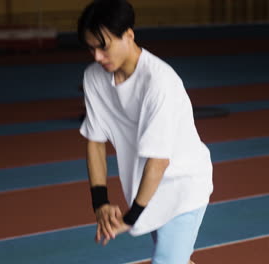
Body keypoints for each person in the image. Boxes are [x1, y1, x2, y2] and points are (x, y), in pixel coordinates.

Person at [77, 0, 213, 263]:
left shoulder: (159, 82)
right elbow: (95, 141)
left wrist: (130, 218)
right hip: (147, 188)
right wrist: (100, 203)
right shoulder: (93, 78)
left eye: (103, 47)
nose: (97, 57)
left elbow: (159, 160)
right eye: (91, 48)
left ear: (128, 35)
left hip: (183, 185)